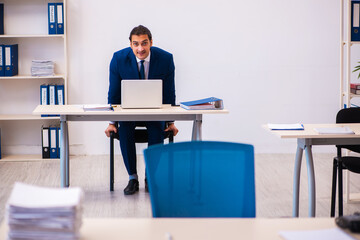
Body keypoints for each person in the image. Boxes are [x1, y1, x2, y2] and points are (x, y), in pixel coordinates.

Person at [105, 25, 179, 195]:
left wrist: (171, 121)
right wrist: (111, 123)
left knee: (157, 128)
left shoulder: (166, 59)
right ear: (130, 44)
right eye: (136, 44)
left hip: (155, 111)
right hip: (128, 112)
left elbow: (169, 93)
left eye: (144, 43)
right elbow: (114, 93)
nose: (140, 49)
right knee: (125, 128)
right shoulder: (118, 59)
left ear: (151, 42)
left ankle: (149, 177)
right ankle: (132, 178)